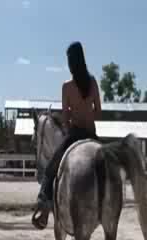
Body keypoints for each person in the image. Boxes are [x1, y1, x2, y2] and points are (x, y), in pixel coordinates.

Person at [32, 41, 102, 230]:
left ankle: (43, 208)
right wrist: (87, 112)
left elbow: (65, 116)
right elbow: (99, 112)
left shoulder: (67, 86)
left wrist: (73, 117)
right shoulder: (93, 82)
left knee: (51, 168)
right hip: (93, 135)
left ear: (71, 62)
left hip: (75, 134)